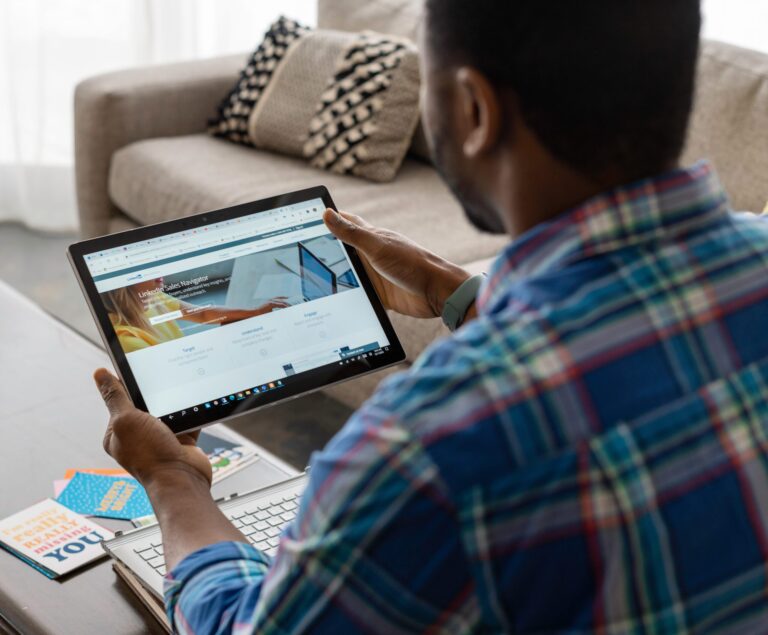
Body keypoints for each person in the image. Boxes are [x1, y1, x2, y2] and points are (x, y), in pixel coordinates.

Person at [93, 1, 768, 632]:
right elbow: (620, 349)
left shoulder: (429, 442)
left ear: (473, 108)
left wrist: (172, 478)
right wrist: (460, 292)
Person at [103, 277, 289, 353]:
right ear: (122, 285)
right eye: (145, 273)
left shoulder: (152, 297)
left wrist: (254, 312)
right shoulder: (127, 340)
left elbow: (202, 314)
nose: (159, 277)